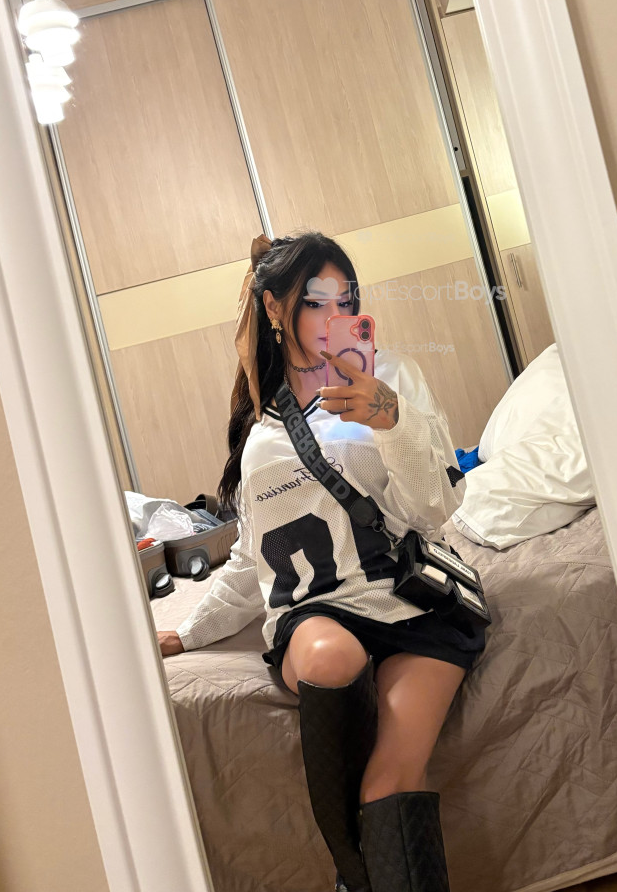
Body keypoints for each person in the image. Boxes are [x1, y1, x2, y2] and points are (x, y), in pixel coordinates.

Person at [158, 231, 488, 892]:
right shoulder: (260, 429)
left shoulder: (391, 378)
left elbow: (434, 509)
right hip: (316, 612)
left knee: (388, 782)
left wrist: (391, 420)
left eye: (346, 302)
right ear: (275, 309)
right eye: (315, 302)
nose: (334, 318)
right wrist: (190, 633)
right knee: (332, 657)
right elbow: (254, 560)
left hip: (411, 600)